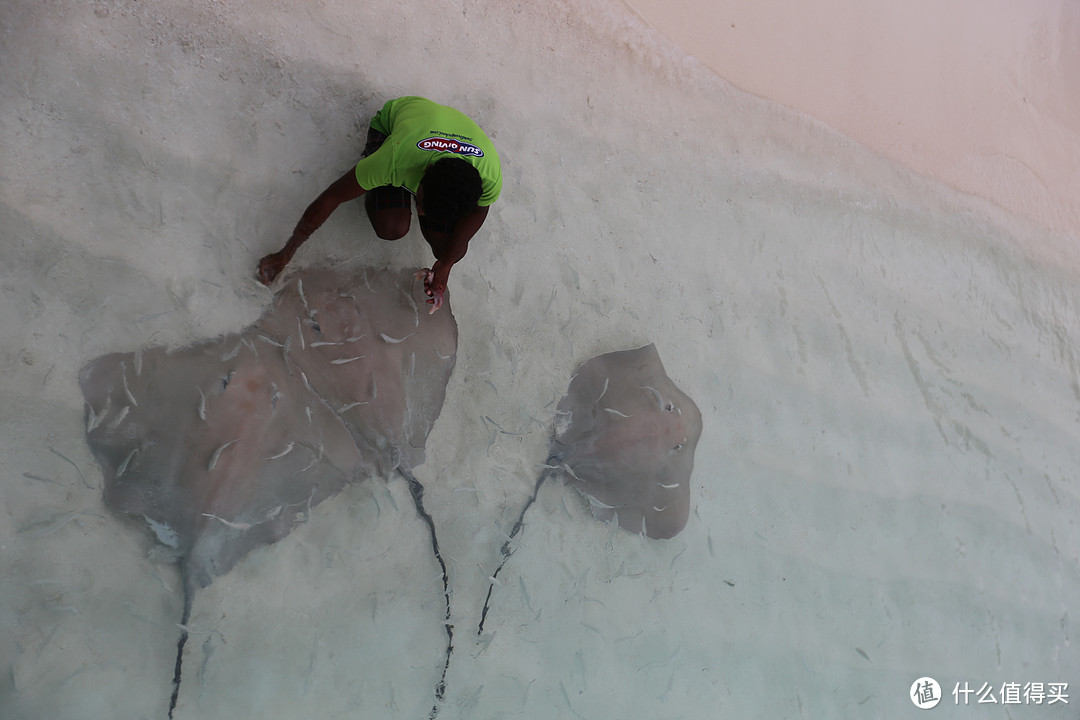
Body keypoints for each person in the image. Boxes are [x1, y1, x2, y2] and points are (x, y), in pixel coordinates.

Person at [257, 96, 502, 312]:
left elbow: (481, 209)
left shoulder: (489, 176)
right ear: (425, 171)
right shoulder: (394, 157)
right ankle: (381, 191)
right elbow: (332, 197)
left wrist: (445, 265)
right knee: (392, 227)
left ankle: (432, 217)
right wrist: (285, 254)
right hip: (395, 126)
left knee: (453, 251)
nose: (421, 211)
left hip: (439, 133)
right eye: (422, 202)